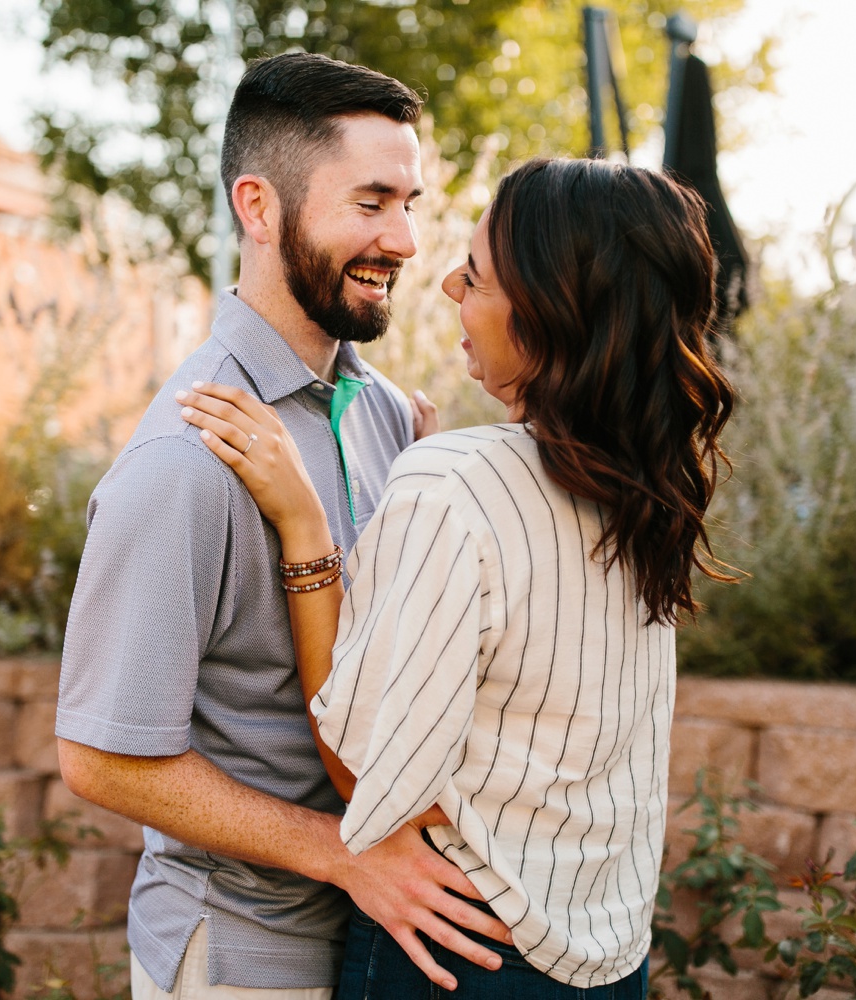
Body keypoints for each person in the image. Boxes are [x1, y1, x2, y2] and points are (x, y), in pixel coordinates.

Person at [177, 157, 736, 997]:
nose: (444, 286)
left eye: (474, 277)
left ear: (547, 312)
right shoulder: (647, 488)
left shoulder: (453, 487)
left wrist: (304, 526)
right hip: (610, 957)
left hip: (461, 950)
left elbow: (365, 773)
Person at [54, 52, 513, 1000]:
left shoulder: (388, 414)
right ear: (258, 208)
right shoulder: (185, 461)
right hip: (244, 959)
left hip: (376, 948)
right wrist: (344, 854)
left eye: (409, 204)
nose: (404, 240)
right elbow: (102, 758)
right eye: (371, 203)